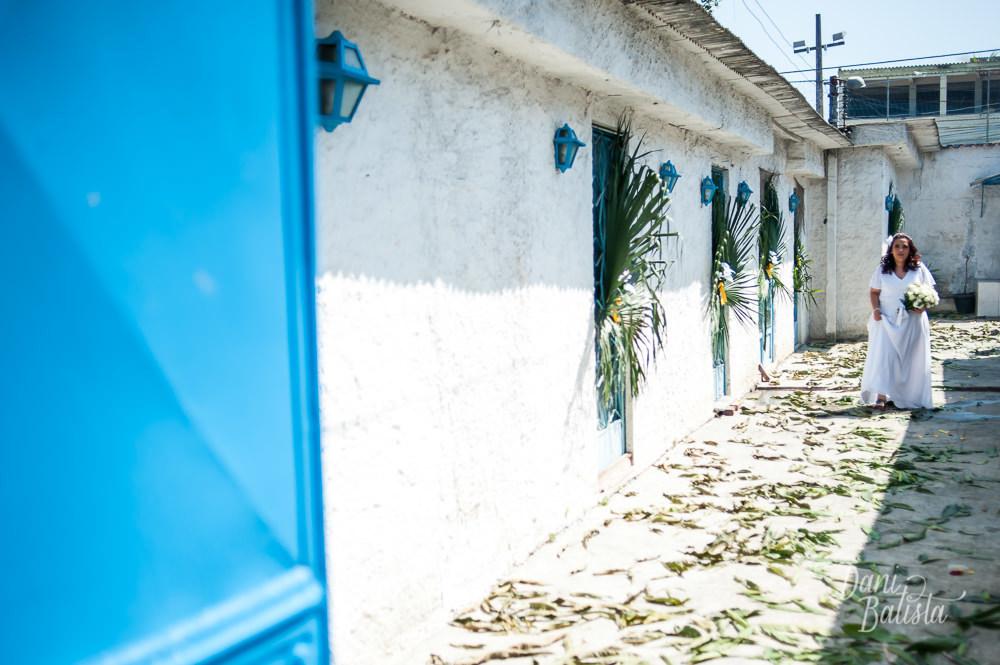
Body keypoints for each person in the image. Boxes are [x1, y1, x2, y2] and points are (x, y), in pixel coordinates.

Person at [859, 233, 935, 409]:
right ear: (891, 250)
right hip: (886, 320)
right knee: (885, 356)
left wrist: (922, 306)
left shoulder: (919, 269)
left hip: (913, 322)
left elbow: (930, 291)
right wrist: (876, 310)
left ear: (910, 250)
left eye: (905, 247)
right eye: (897, 246)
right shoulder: (882, 270)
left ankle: (909, 396)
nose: (901, 250)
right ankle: (881, 396)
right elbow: (874, 292)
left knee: (911, 359)